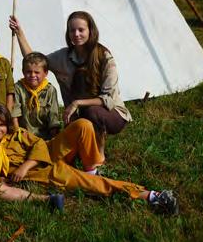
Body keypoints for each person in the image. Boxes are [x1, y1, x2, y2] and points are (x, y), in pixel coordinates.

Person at [0, 102, 178, 215]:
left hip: (47, 152)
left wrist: (25, 165)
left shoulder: (16, 134)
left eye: (1, 125)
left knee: (83, 124)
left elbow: (39, 144)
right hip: (44, 172)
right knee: (95, 185)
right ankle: (152, 196)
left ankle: (92, 167)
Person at [9, 11, 132, 149]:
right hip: (77, 114)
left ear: (90, 30)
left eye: (81, 30)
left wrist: (77, 103)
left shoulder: (104, 57)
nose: (76, 34)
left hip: (111, 113)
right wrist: (19, 32)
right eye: (72, 30)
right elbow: (36, 63)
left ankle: (99, 154)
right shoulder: (63, 56)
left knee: (92, 112)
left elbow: (109, 97)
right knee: (70, 146)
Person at [12, 52, 61, 140]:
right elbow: (15, 116)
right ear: (23, 71)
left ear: (45, 73)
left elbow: (53, 118)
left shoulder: (50, 90)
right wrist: (18, 136)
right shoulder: (18, 88)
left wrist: (54, 138)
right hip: (24, 136)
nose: (32, 75)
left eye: (37, 72)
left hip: (45, 137)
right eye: (29, 72)